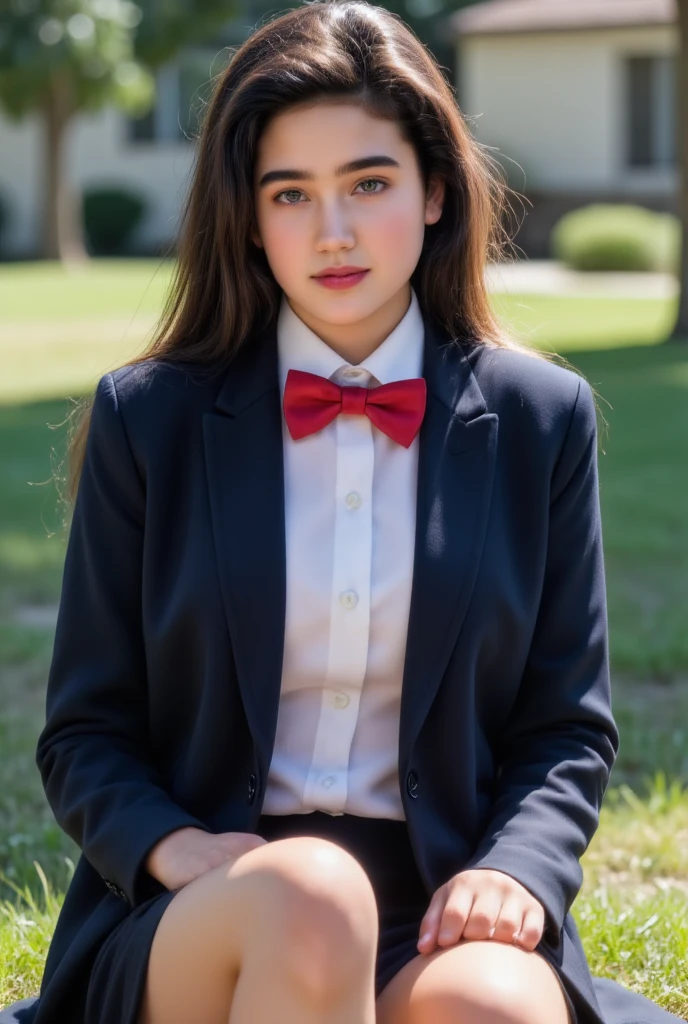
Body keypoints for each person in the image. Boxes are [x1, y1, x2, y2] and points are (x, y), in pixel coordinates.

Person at [0, 2, 683, 1023]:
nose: (333, 231)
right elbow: (86, 730)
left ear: (437, 190)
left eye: (368, 183)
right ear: (248, 214)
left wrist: (515, 871)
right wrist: (173, 847)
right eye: (290, 194)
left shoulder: (543, 419)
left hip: (442, 896)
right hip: (212, 902)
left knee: (497, 1006)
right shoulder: (150, 418)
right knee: (311, 893)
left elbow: (563, 728)